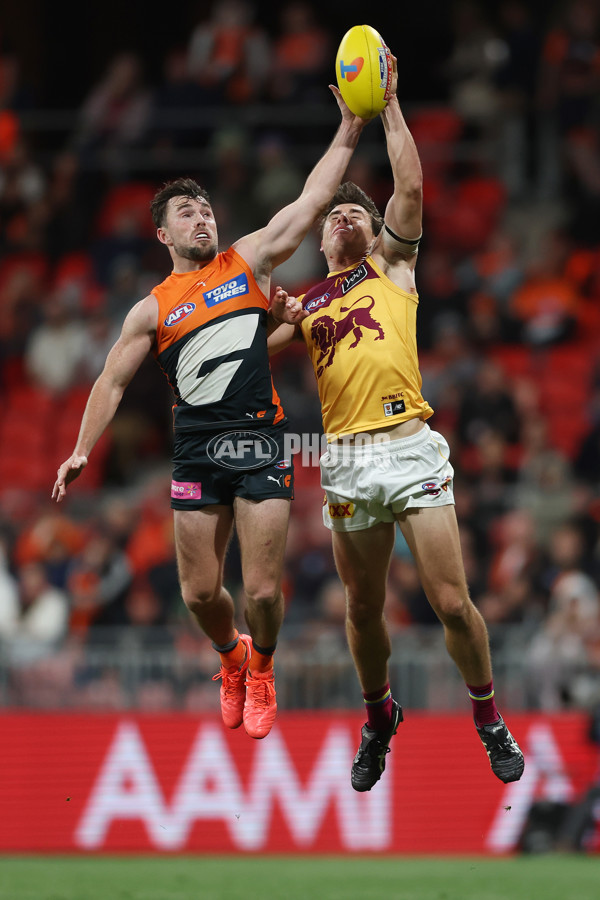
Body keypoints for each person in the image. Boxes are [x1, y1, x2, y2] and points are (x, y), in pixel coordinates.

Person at [52, 89, 368, 740]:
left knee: (262, 592)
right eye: (186, 213)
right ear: (163, 234)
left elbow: (311, 201)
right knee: (199, 594)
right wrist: (82, 447)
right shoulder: (151, 308)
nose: (202, 218)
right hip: (196, 448)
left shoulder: (247, 260)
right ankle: (232, 657)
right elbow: (111, 379)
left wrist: (349, 127)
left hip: (260, 438)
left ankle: (264, 667)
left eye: (206, 210)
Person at [268, 53, 525, 789]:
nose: (343, 215)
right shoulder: (306, 303)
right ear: (321, 242)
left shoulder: (392, 268)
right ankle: (379, 716)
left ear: (378, 230)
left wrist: (388, 107)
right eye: (334, 214)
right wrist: (265, 308)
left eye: (358, 211)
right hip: (346, 461)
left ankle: (488, 717)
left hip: (410, 450)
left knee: (451, 603)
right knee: (362, 606)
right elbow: (246, 347)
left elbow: (409, 185)